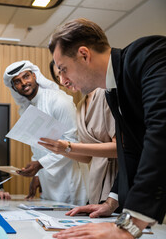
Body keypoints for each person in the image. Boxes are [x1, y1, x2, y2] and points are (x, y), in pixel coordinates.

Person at [48, 18, 166, 239]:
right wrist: (111, 202)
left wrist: (128, 227)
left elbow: (161, 131)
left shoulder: (148, 54)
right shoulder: (113, 91)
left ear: (84, 55)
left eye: (63, 69)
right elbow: (131, 150)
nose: (63, 79)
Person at [3, 60, 89, 205]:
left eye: (26, 76)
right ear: (14, 88)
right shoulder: (26, 109)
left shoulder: (58, 100)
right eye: (17, 81)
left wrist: (39, 165)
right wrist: (37, 175)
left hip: (70, 179)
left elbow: (73, 142)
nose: (23, 83)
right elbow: (37, 146)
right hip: (48, 181)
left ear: (35, 76)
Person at [38, 60, 118, 204]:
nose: (63, 81)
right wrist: (59, 149)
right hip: (96, 183)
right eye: (58, 78)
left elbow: (119, 148)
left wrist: (69, 146)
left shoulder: (106, 94)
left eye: (64, 72)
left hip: (116, 183)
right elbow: (88, 157)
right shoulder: (80, 106)